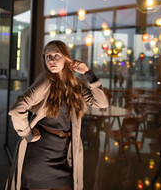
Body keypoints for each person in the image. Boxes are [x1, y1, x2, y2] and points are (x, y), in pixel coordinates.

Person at [6, 40, 109, 190]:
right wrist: (26, 134)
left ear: (67, 58)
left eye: (56, 55)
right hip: (41, 154)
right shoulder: (46, 79)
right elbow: (17, 108)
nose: (52, 60)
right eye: (48, 56)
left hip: (62, 154)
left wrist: (88, 73)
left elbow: (102, 103)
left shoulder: (74, 84)